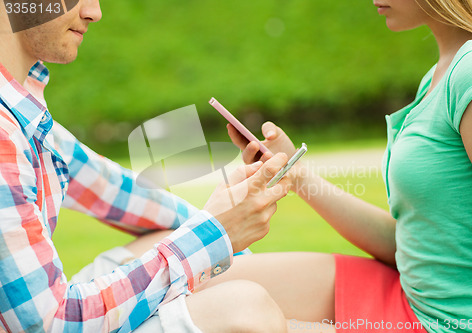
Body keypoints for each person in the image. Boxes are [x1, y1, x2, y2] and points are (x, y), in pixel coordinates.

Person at [199, 0, 472, 332]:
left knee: (225, 319)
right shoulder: (441, 73)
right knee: (197, 286)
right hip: (405, 292)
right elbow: (410, 240)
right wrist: (295, 173)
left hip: (451, 323)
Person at [0, 1, 293, 332]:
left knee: (234, 272)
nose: (94, 12)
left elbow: (118, 191)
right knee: (244, 309)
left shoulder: (21, 108)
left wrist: (224, 225)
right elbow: (51, 324)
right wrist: (213, 235)